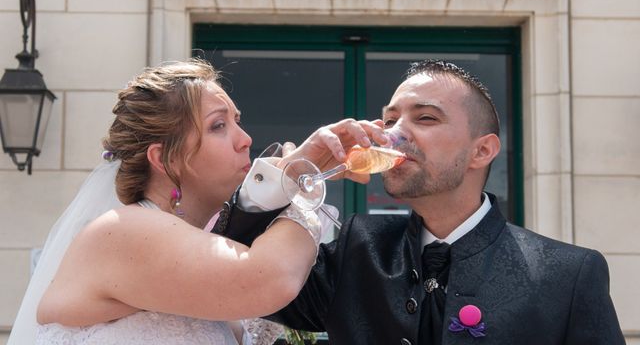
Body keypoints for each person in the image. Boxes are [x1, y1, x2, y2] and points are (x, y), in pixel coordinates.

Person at [215, 59, 625, 345]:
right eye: (390, 120)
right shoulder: (357, 249)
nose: (395, 134)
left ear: (482, 151)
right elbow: (239, 279)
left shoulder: (569, 275)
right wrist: (288, 174)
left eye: (425, 118)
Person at [9, 59, 381, 345]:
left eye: (237, 122)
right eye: (219, 126)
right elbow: (271, 279)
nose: (245, 139)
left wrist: (290, 173)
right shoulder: (123, 229)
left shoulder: (195, 242)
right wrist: (303, 185)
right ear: (164, 158)